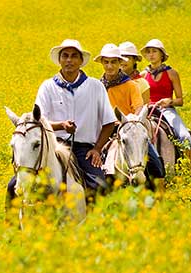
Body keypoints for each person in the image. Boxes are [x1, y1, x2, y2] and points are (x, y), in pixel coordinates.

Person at [7, 39, 116, 206]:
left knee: (99, 185)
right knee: (13, 186)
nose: (69, 60)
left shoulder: (95, 87)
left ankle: (97, 227)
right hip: (53, 145)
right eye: (65, 56)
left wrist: (97, 149)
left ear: (81, 61)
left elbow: (109, 122)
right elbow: (39, 121)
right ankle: (12, 228)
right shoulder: (47, 86)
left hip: (83, 149)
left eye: (73, 56)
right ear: (60, 60)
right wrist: (61, 125)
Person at [94, 43, 165, 188]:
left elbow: (139, 108)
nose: (109, 66)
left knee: (156, 165)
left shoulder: (131, 85)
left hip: (129, 128)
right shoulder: (97, 86)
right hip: (105, 129)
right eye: (106, 62)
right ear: (101, 63)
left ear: (120, 63)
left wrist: (130, 121)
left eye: (113, 62)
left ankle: (159, 191)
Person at [140, 39, 191, 161]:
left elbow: (180, 100)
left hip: (167, 110)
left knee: (184, 136)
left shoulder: (172, 73)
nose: (151, 54)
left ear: (161, 54)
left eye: (154, 51)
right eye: (148, 52)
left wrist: (169, 101)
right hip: (148, 111)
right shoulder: (143, 75)